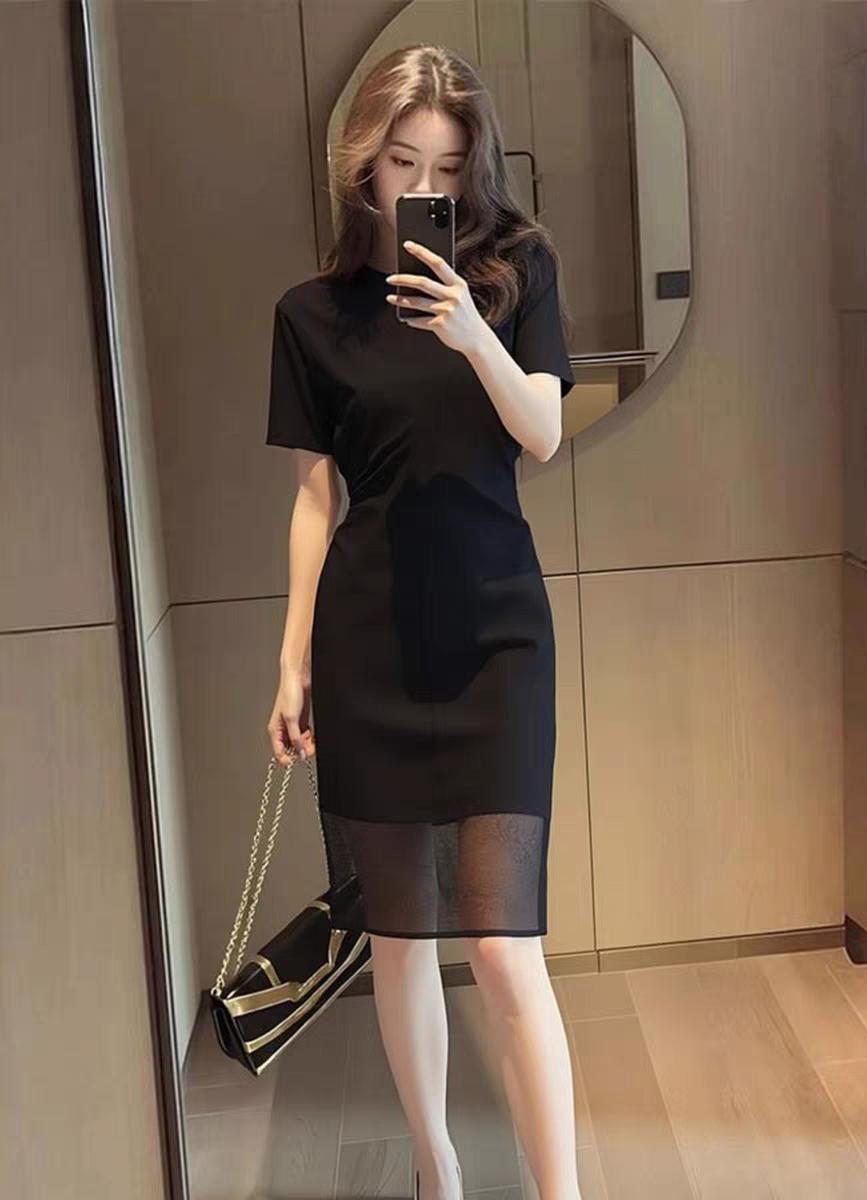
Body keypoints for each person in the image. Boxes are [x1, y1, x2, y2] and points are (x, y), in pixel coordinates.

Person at [265, 43, 581, 1200]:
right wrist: (291, 663)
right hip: (368, 642)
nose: (423, 187)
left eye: (446, 167)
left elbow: (541, 433)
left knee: (502, 943)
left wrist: (470, 332)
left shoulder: (518, 268)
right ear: (365, 161)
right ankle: (435, 1167)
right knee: (397, 941)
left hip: (499, 635)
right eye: (403, 163)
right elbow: (315, 498)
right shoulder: (311, 316)